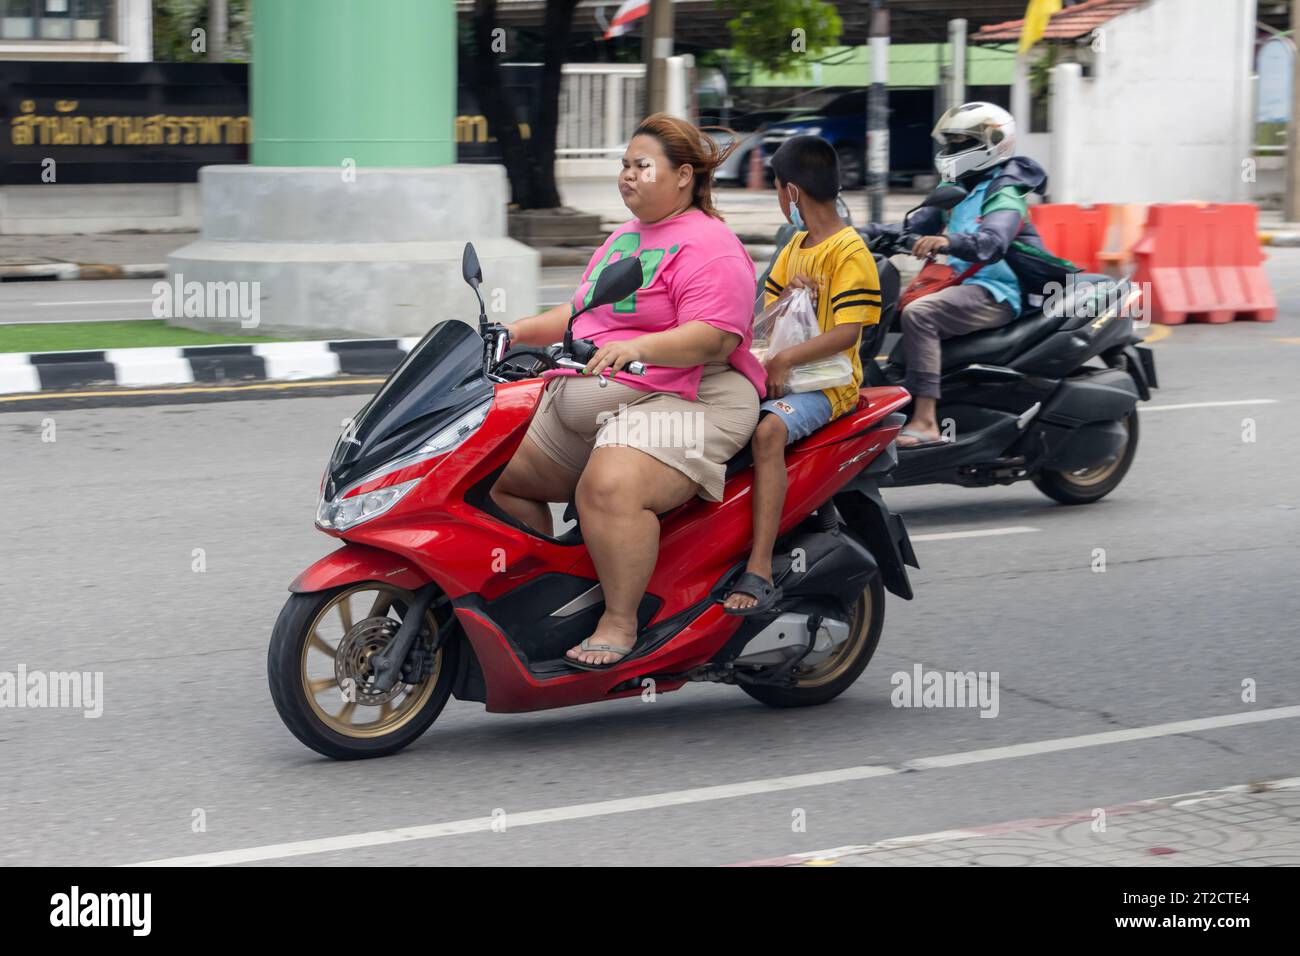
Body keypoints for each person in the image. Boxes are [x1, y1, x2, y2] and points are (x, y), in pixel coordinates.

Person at [490, 113, 766, 669]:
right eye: (624, 165)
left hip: (697, 400)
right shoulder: (622, 239)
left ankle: (621, 620)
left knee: (608, 485)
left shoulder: (711, 245)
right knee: (488, 469)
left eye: (642, 166)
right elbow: (579, 314)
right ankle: (544, 596)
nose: (627, 176)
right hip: (601, 390)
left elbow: (714, 338)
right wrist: (512, 332)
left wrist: (641, 348)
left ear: (683, 175)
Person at [723, 135, 880, 614]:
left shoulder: (850, 252)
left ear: (791, 192)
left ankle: (760, 567)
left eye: (775, 187)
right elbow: (766, 315)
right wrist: (789, 295)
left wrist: (784, 361)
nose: (776, 197)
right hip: (785, 373)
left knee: (768, 432)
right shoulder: (793, 247)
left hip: (828, 386)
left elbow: (848, 334)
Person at [887, 102, 1055, 447]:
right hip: (959, 284)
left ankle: (926, 421)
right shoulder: (959, 187)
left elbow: (991, 243)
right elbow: (911, 227)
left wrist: (947, 241)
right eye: (950, 142)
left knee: (921, 314)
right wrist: (852, 233)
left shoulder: (1005, 191)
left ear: (993, 143)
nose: (951, 151)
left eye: (962, 143)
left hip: (994, 290)